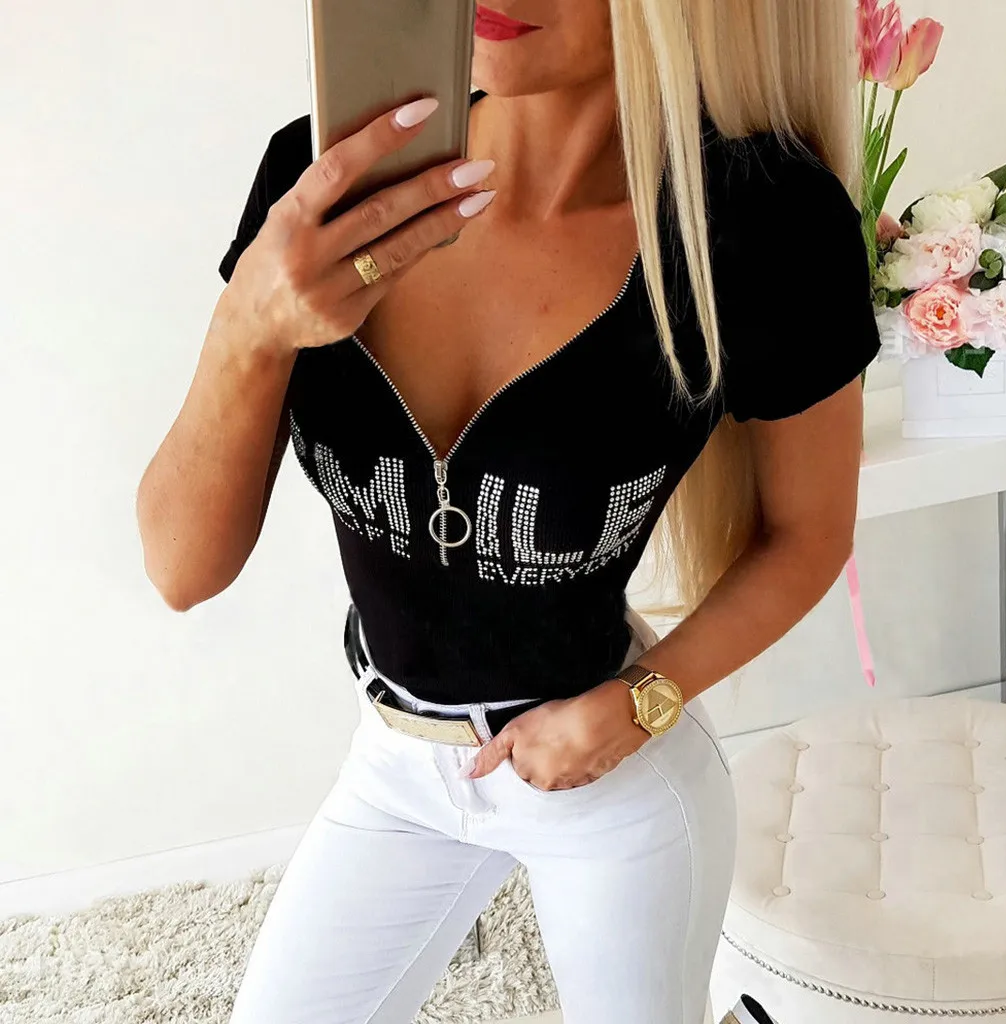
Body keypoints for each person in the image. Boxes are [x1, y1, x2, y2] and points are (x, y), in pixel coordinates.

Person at [136, 1, 880, 1021]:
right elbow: (182, 569)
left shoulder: (758, 220)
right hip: (396, 763)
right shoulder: (329, 183)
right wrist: (249, 327)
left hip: (607, 777)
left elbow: (808, 535)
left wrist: (641, 703)